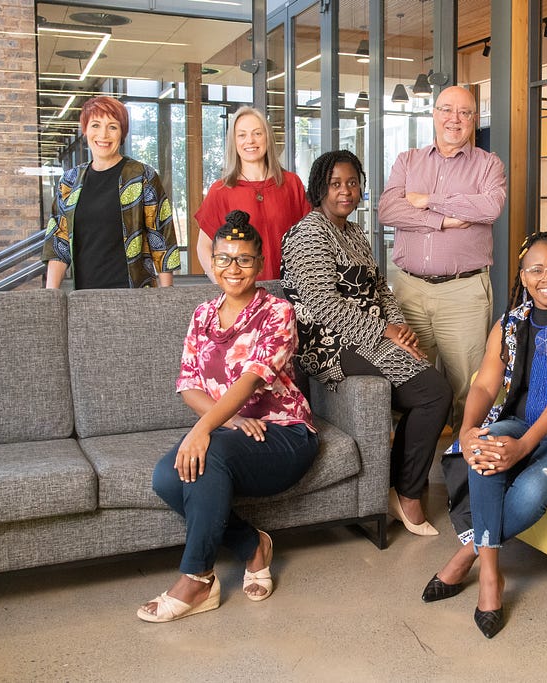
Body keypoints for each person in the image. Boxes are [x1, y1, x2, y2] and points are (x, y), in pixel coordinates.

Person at [422, 232, 547, 639]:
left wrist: (524, 446)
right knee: (485, 450)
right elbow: (486, 386)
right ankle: (492, 576)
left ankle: (467, 556)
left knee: (527, 494)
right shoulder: (509, 323)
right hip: (519, 422)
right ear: (523, 277)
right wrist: (469, 431)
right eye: (537, 270)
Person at [138, 210, 318, 622]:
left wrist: (204, 429)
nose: (233, 268)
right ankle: (254, 546)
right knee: (167, 476)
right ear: (211, 261)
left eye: (244, 259)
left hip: (284, 434)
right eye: (224, 258)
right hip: (230, 431)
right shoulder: (202, 314)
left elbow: (253, 380)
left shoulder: (277, 312)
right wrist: (225, 422)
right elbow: (188, 385)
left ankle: (198, 579)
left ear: (259, 264)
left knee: (207, 456)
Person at [280, 150, 452, 536]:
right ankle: (404, 492)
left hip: (369, 336)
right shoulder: (309, 233)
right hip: (328, 345)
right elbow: (324, 305)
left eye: (353, 183)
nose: (346, 191)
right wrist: (383, 333)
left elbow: (380, 289)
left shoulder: (354, 232)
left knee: (434, 391)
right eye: (336, 183)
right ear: (319, 187)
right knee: (434, 392)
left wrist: (399, 326)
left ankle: (394, 485)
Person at [377, 85, 507, 431]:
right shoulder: (408, 160)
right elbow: (389, 209)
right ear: (434, 114)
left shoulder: (488, 165)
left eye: (465, 112)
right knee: (405, 380)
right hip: (408, 291)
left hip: (463, 293)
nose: (455, 119)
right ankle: (407, 472)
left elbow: (490, 206)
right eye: (447, 110)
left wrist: (429, 198)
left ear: (474, 119)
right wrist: (443, 219)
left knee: (470, 387)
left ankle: (463, 474)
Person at [43, 95, 179, 289]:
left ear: (122, 133)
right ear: (85, 130)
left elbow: (162, 238)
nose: (103, 135)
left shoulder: (142, 176)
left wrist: (167, 298)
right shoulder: (69, 182)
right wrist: (51, 295)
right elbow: (58, 242)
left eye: (112, 127)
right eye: (96, 125)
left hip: (135, 295)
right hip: (85, 296)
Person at [194, 105, 311, 283]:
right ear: (234, 141)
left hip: (289, 290)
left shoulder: (291, 184)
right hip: (243, 294)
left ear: (267, 138)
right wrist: (224, 284)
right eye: (242, 135)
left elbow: (309, 240)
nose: (250, 140)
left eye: (257, 133)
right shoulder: (220, 190)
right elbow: (204, 246)